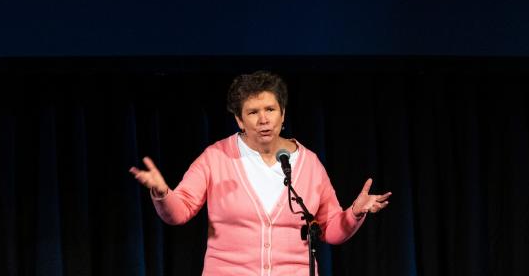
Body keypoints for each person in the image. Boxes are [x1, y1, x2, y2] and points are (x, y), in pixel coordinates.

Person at [129, 70, 390, 275]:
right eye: (253, 112)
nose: (263, 119)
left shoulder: (308, 163)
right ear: (240, 120)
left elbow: (329, 229)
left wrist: (355, 212)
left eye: (270, 110)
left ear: (283, 114)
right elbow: (180, 211)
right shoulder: (216, 157)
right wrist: (162, 192)